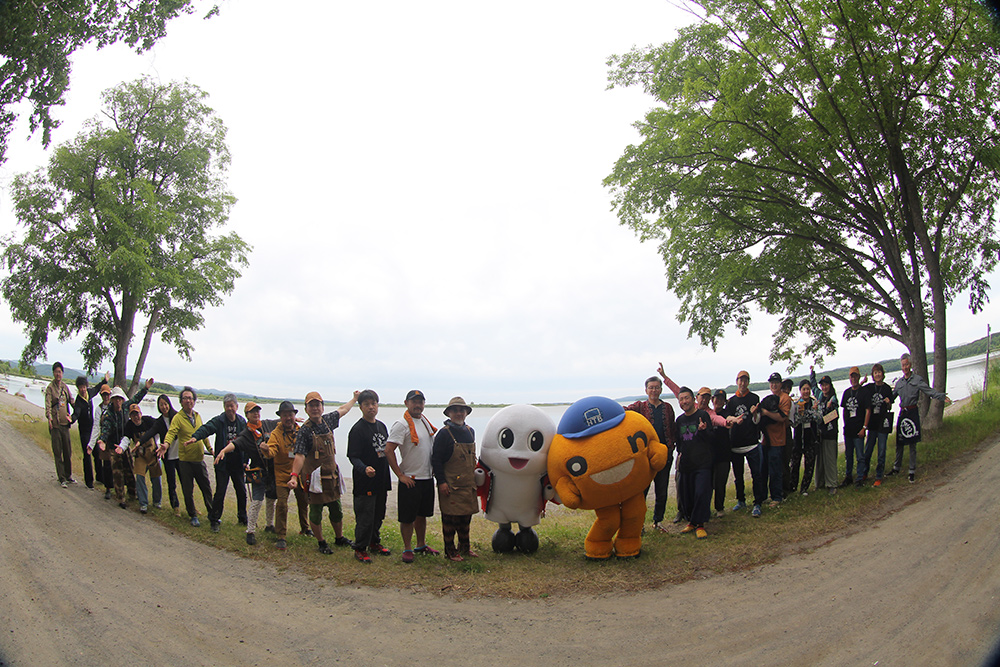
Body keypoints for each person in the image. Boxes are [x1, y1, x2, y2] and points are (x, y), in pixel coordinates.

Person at [287, 390, 358, 554]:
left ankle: (339, 538)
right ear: (306, 409)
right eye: (311, 405)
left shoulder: (328, 421)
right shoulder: (304, 431)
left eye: (317, 404)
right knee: (316, 512)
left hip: (331, 475)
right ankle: (321, 542)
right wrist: (294, 476)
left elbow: (343, 410)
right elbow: (299, 455)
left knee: (336, 509)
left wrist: (354, 399)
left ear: (322, 407)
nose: (314, 408)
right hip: (314, 478)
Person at [386, 390, 441, 562]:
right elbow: (388, 450)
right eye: (414, 402)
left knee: (422, 515)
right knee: (408, 517)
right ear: (406, 403)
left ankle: (421, 544)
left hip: (426, 478)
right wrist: (400, 475)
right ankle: (407, 548)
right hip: (410, 479)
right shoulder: (401, 425)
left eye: (421, 402)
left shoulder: (425, 422)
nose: (418, 405)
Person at [214, 402, 276, 545]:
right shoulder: (246, 434)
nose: (256, 414)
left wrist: (293, 419)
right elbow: (235, 444)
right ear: (247, 415)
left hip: (271, 470)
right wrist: (223, 451)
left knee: (271, 499)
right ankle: (250, 531)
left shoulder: (266, 424)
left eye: (257, 411)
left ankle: (269, 525)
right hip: (257, 472)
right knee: (257, 500)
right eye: (252, 412)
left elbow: (282, 422)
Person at [623, 375, 676, 531]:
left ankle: (657, 522)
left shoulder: (667, 408)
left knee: (662, 491)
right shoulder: (640, 406)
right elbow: (624, 412)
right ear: (646, 390)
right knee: (641, 493)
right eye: (651, 387)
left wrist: (672, 447)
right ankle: (639, 524)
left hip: (664, 455)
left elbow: (672, 428)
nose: (654, 390)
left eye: (657, 387)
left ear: (661, 389)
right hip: (645, 459)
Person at [188, 393, 247, 532]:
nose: (229, 409)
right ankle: (214, 519)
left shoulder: (242, 422)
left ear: (237, 407)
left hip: (237, 463)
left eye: (232, 406)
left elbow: (247, 442)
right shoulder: (219, 421)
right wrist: (195, 437)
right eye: (227, 406)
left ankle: (243, 517)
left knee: (241, 491)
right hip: (222, 462)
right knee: (220, 491)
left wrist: (246, 461)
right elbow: (206, 428)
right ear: (224, 407)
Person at [432, 397, 480, 562]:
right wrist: (441, 482)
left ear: (466, 412)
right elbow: (436, 460)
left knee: (466, 518)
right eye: (455, 410)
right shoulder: (444, 434)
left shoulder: (470, 431)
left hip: (468, 483)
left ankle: (465, 548)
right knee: (450, 520)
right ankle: (450, 551)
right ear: (449, 413)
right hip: (450, 484)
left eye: (462, 410)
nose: (459, 413)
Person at [890, 353, 951, 483]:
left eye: (907, 364)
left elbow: (929, 391)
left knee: (912, 443)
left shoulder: (917, 380)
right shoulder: (899, 383)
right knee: (899, 442)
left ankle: (912, 471)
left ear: (910, 365)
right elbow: (891, 397)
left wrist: (940, 396)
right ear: (901, 367)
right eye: (903, 365)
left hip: (912, 412)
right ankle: (896, 468)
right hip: (903, 413)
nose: (905, 367)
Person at [347, 390, 392, 563]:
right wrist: (364, 468)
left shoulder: (381, 426)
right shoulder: (357, 429)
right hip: (365, 481)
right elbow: (353, 456)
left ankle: (374, 542)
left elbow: (387, 450)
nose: (371, 407)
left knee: (378, 514)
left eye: (374, 403)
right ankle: (360, 547)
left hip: (381, 479)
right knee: (365, 516)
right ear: (361, 407)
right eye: (367, 404)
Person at [160, 386, 214, 527]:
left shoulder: (197, 416)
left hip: (199, 459)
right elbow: (171, 433)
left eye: (190, 398)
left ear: (194, 401)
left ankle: (212, 514)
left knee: (206, 488)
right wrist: (166, 445)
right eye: (185, 398)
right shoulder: (178, 418)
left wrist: (210, 449)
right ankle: (192, 515)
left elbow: (204, 434)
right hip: (185, 461)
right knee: (187, 489)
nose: (188, 400)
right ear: (181, 401)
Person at [96, 380, 154, 509]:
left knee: (129, 469)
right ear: (111, 400)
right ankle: (121, 497)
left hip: (125, 445)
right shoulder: (108, 415)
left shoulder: (125, 407)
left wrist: (145, 388)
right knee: (117, 473)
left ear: (122, 400)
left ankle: (132, 494)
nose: (117, 402)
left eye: (119, 399)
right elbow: (105, 429)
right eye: (115, 400)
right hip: (113, 447)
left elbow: (136, 399)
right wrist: (103, 440)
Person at [262, 400, 311, 550]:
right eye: (285, 415)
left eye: (290, 414)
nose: (288, 418)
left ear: (294, 415)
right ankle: (281, 536)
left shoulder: (300, 430)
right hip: (282, 473)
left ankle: (305, 528)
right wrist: (266, 451)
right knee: (282, 504)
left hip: (299, 472)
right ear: (280, 417)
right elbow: (272, 451)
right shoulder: (276, 433)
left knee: (303, 501)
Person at [725, 370, 766, 517]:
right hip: (736, 444)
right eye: (740, 380)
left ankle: (758, 503)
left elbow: (757, 421)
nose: (742, 383)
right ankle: (741, 500)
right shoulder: (731, 401)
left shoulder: (754, 398)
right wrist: (733, 419)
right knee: (738, 476)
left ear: (748, 382)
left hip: (752, 443)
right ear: (737, 382)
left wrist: (755, 413)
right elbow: (727, 418)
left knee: (757, 474)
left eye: (745, 380)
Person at [675, 387, 713, 539]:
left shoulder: (702, 415)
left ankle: (700, 524)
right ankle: (691, 522)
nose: (684, 402)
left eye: (687, 398)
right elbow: (679, 442)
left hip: (703, 462)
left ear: (693, 399)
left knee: (701, 492)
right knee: (687, 494)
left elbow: (712, 438)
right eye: (681, 399)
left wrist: (703, 430)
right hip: (686, 463)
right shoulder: (680, 420)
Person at [140, 395, 181, 513]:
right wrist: (139, 442)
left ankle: (191, 507)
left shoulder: (177, 417)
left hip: (181, 455)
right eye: (161, 404)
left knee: (185, 482)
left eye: (165, 404)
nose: (164, 407)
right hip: (168, 456)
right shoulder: (159, 422)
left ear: (169, 404)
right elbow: (150, 433)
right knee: (171, 482)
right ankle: (175, 507)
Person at [72, 371, 109, 489]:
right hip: (84, 431)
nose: (83, 389)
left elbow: (97, 388)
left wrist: (105, 381)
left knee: (97, 452)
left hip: (93, 429)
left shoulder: (89, 393)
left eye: (84, 387)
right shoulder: (78, 401)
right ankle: (89, 481)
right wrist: (70, 419)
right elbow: (76, 414)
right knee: (87, 455)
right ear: (78, 388)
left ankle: (100, 477)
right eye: (80, 387)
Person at [759, 372, 791, 507]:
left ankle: (777, 497)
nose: (774, 385)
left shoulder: (785, 398)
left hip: (777, 440)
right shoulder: (769, 398)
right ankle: (764, 496)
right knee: (763, 469)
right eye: (772, 382)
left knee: (775, 470)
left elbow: (783, 418)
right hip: (765, 440)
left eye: (776, 382)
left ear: (781, 383)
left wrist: (766, 413)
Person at [860, 363, 894, 486]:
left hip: (883, 424)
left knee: (881, 450)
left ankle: (879, 476)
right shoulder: (869, 387)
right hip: (872, 424)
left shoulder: (887, 389)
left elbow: (890, 405)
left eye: (879, 372)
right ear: (873, 375)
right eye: (875, 373)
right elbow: (858, 390)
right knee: (868, 450)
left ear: (882, 374)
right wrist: (862, 382)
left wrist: (888, 402)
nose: (878, 374)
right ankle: (864, 473)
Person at [124, 403, 160, 514]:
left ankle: (157, 502)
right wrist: (122, 447)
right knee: (139, 477)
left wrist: (160, 443)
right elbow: (126, 439)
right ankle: (143, 503)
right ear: (130, 417)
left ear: (141, 413)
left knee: (156, 478)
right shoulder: (129, 426)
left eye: (137, 414)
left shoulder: (149, 421)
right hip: (140, 455)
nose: (136, 417)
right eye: (133, 415)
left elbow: (160, 427)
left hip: (152, 453)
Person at [45, 361, 76, 487]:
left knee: (67, 451)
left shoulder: (65, 387)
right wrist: (49, 418)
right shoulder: (50, 388)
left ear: (62, 373)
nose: (58, 374)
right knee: (58, 452)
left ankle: (68, 475)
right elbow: (47, 405)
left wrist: (78, 410)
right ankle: (61, 478)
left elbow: (71, 401)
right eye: (56, 372)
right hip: (56, 425)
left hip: (65, 424)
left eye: (60, 372)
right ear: (53, 373)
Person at [788, 379, 820, 495]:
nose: (806, 391)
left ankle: (804, 488)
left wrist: (813, 411)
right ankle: (792, 487)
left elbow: (819, 418)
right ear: (800, 390)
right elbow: (794, 423)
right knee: (795, 464)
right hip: (798, 439)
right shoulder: (797, 404)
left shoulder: (814, 403)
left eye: (807, 389)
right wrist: (801, 414)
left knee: (809, 464)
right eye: (803, 389)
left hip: (810, 438)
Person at [841, 367, 867, 487]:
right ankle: (848, 476)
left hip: (859, 429)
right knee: (849, 455)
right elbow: (844, 411)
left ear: (859, 377)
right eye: (851, 376)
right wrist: (845, 426)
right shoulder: (846, 393)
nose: (853, 378)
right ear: (849, 378)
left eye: (855, 376)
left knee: (860, 455)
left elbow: (868, 411)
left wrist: (864, 427)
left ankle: (860, 477)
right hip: (849, 430)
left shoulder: (863, 392)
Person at [815, 375, 840, 494]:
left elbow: (835, 415)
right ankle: (820, 483)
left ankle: (832, 484)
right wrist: (812, 373)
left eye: (826, 385)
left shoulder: (833, 399)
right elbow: (813, 387)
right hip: (821, 433)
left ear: (830, 385)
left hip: (830, 433)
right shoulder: (820, 398)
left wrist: (825, 415)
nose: (824, 387)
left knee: (830, 459)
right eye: (822, 385)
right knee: (820, 460)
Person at [709, 390, 731, 516]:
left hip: (724, 454)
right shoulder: (707, 414)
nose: (718, 401)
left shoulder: (726, 414)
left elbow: (728, 419)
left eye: (721, 399)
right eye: (716, 398)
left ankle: (719, 508)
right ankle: (706, 508)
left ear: (724, 401)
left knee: (720, 483)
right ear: (712, 400)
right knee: (708, 483)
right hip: (709, 456)